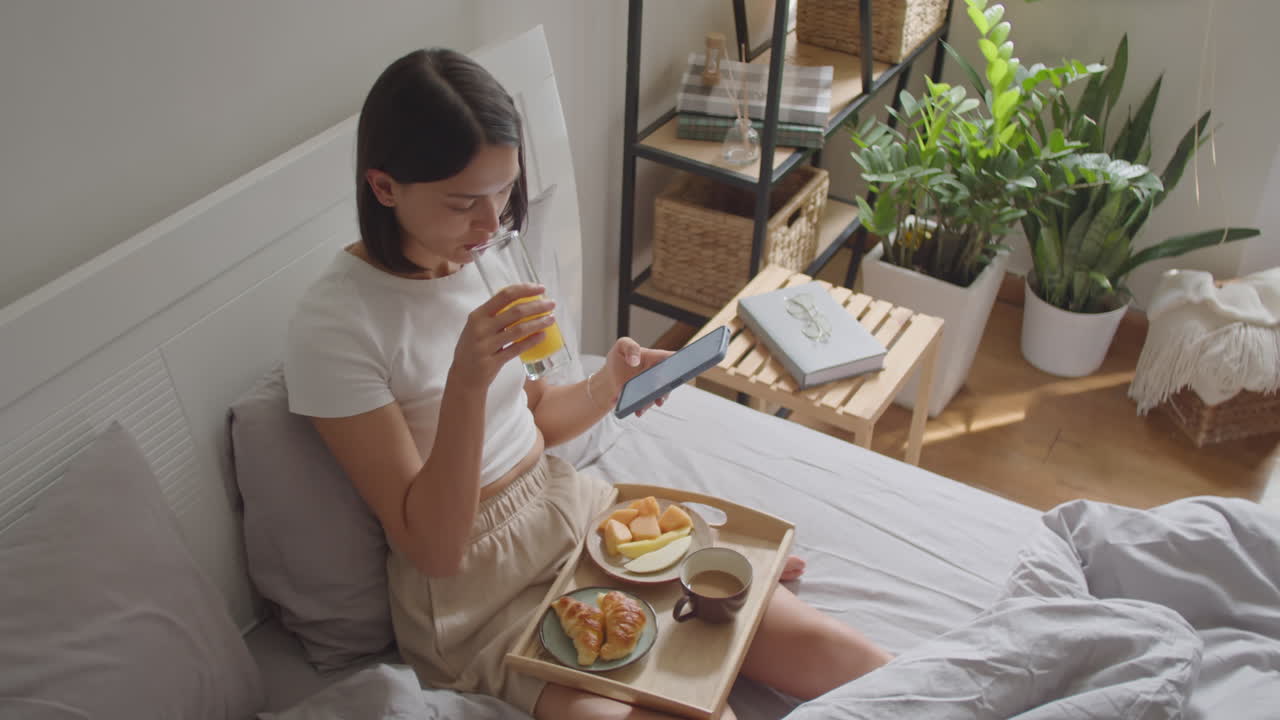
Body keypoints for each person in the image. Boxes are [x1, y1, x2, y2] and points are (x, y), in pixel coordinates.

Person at [284, 47, 891, 720]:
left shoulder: (481, 254)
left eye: (503, 192)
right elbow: (433, 548)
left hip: (565, 510)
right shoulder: (334, 327)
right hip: (473, 594)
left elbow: (535, 417)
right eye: (463, 204)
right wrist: (464, 385)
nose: (491, 225)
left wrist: (608, 383)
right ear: (385, 186)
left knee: (812, 643)